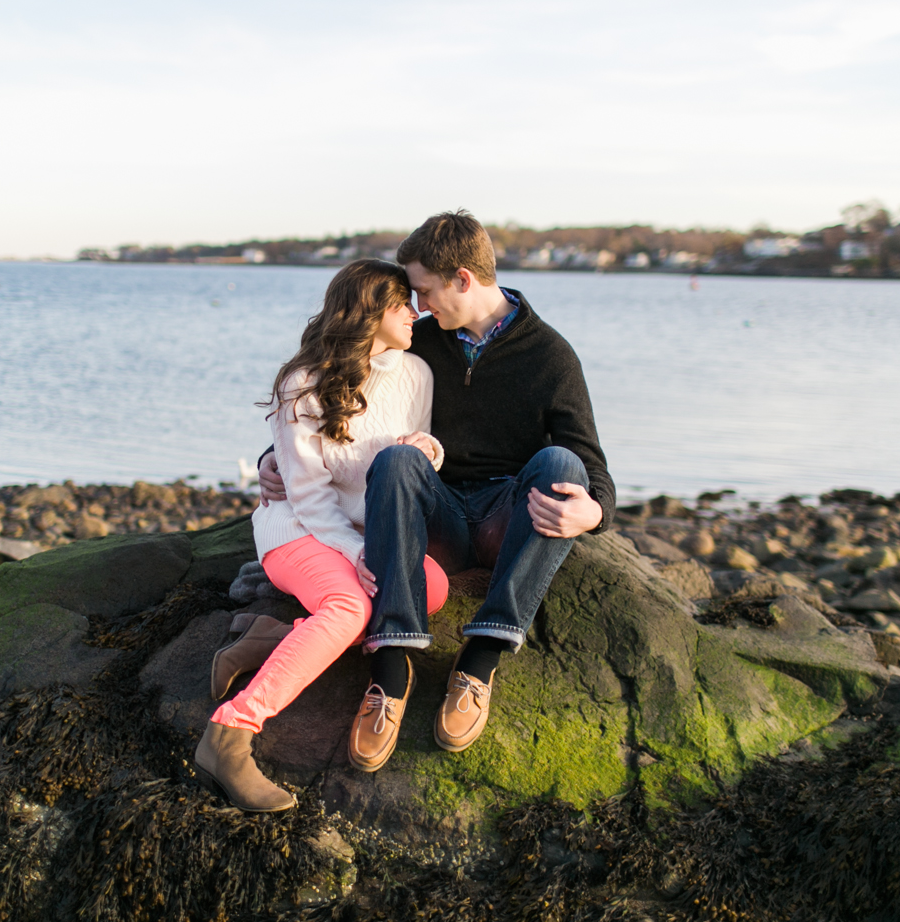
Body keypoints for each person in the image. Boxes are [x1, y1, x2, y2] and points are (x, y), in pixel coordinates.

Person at [259, 210, 615, 771]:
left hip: (504, 519)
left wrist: (592, 512)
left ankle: (482, 656)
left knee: (559, 461)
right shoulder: (414, 343)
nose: (418, 306)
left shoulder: (549, 356)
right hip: (435, 518)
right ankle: (391, 667)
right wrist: (273, 458)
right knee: (399, 458)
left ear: (463, 280)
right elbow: (330, 399)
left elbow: (592, 467)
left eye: (424, 290)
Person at [197, 259, 450, 811]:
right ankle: (230, 733)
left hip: (369, 527)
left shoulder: (416, 375)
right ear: (369, 311)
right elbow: (308, 497)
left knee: (428, 590)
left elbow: (423, 450)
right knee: (348, 608)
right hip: (298, 529)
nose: (416, 313)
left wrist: (427, 451)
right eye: (402, 304)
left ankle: (274, 637)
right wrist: (361, 554)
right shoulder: (302, 383)